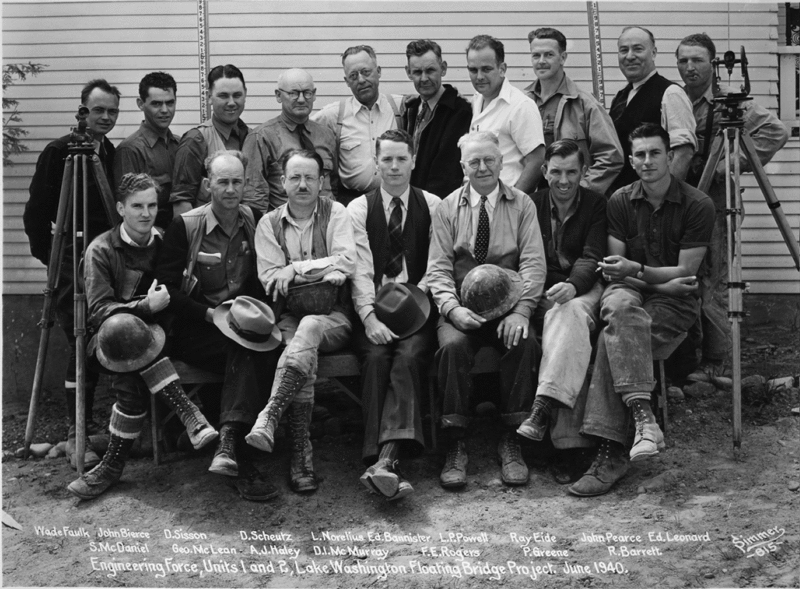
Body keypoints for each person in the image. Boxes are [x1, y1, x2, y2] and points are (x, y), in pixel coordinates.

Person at [569, 123, 715, 497]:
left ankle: (610, 453)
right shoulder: (619, 200)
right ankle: (643, 420)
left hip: (673, 305)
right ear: (631, 161)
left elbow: (686, 273)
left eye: (654, 153)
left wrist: (639, 272)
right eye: (640, 155)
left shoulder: (698, 204)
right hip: (630, 293)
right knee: (617, 305)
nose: (647, 161)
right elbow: (618, 270)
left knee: (611, 339)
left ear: (670, 156)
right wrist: (655, 278)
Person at [67, 173, 218, 500]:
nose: (146, 213)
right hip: (109, 342)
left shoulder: (165, 239)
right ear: (121, 208)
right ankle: (187, 412)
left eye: (152, 205)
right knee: (125, 331)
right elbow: (100, 310)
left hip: (160, 336)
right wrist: (144, 306)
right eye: (137, 206)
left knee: (143, 364)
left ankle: (111, 465)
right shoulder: (101, 250)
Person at [156, 150, 281, 502]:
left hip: (240, 324)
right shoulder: (186, 225)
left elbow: (260, 279)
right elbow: (167, 288)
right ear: (208, 184)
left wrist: (259, 316)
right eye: (222, 182)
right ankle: (237, 446)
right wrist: (209, 316)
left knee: (264, 346)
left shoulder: (255, 220)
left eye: (237, 182)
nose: (230, 189)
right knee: (243, 353)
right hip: (196, 326)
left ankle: (228, 439)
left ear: (245, 184)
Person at [427, 130, 546, 489]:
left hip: (509, 304)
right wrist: (450, 309)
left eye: (489, 160)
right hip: (464, 309)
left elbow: (534, 264)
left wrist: (522, 311)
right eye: (474, 162)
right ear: (463, 166)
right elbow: (438, 269)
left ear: (501, 162)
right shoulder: (447, 208)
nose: (482, 168)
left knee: (523, 343)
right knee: (451, 347)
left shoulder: (522, 204)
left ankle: (513, 439)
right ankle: (455, 441)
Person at [676, 33, 789, 380]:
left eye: (698, 60)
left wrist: (732, 162)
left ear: (712, 63)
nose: (690, 67)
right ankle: (690, 354)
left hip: (716, 201)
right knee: (688, 276)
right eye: (684, 60)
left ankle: (717, 359)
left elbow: (776, 132)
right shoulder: (677, 99)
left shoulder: (729, 103)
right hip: (683, 200)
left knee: (716, 278)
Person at [24, 78, 120, 470]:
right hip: (71, 261)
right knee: (79, 341)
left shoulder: (109, 152)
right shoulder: (60, 151)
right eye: (98, 110)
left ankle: (97, 426)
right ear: (83, 110)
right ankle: (74, 430)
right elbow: (36, 214)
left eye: (112, 111)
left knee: (101, 336)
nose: (106, 117)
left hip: (103, 261)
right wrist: (56, 262)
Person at [247, 149, 356, 493]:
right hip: (288, 316)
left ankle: (270, 417)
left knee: (309, 329)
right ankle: (300, 456)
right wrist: (324, 269)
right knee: (299, 351)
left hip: (334, 316)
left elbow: (348, 261)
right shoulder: (269, 224)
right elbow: (268, 277)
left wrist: (294, 269)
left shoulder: (335, 212)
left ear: (322, 181)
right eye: (295, 177)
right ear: (283, 182)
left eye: (310, 177)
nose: (303, 184)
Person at [347, 129, 441, 500]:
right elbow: (359, 268)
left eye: (402, 158)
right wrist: (369, 318)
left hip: (416, 306)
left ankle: (386, 460)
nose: (394, 166)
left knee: (410, 355)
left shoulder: (432, 205)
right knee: (373, 357)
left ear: (413, 160)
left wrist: (415, 304)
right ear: (376, 162)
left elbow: (437, 265)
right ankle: (379, 455)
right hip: (372, 306)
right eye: (386, 159)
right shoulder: (358, 208)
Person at [517, 140, 606, 472]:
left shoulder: (596, 204)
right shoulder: (530, 204)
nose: (564, 181)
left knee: (568, 316)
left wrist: (572, 285)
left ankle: (542, 412)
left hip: (583, 287)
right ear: (544, 172)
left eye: (572, 172)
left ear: (584, 172)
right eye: (556, 172)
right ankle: (568, 446)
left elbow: (593, 255)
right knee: (562, 323)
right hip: (543, 290)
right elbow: (524, 256)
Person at [523, 27, 623, 195]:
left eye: (549, 55)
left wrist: (581, 192)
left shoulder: (585, 104)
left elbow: (611, 157)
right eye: (536, 55)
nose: (541, 61)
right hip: (532, 205)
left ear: (563, 58)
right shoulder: (522, 103)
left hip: (574, 206)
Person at [608, 27, 696, 194]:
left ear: (654, 53)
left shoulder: (671, 93)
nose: (630, 56)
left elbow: (683, 153)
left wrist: (663, 201)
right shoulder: (621, 97)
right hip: (624, 203)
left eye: (638, 49)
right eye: (624, 50)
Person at [312, 45, 401, 205]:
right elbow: (304, 129)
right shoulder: (334, 115)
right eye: (353, 75)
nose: (361, 80)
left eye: (366, 72)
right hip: (352, 202)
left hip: (395, 201)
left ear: (378, 71)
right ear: (346, 81)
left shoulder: (400, 107)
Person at [242, 68, 337, 211]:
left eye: (307, 93)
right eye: (293, 93)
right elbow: (254, 198)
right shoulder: (261, 138)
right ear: (278, 95)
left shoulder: (326, 135)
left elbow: (335, 185)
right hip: (284, 226)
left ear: (314, 94)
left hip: (327, 223)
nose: (301, 99)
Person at [465, 35, 545, 194]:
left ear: (502, 69)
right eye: (473, 70)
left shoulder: (520, 106)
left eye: (486, 69)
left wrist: (512, 202)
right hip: (475, 204)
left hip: (505, 205)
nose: (479, 76)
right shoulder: (475, 101)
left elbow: (537, 161)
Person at [170, 64, 250, 216]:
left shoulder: (252, 137)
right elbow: (182, 202)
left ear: (245, 94)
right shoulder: (196, 140)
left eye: (237, 95)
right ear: (209, 97)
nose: (232, 102)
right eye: (223, 96)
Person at [401, 39, 472, 198]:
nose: (424, 78)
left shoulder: (460, 112)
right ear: (408, 72)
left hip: (438, 206)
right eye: (417, 72)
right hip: (411, 203)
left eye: (430, 70)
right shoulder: (411, 109)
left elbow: (447, 175)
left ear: (443, 68)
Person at [114, 72, 180, 229]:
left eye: (170, 103)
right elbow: (128, 209)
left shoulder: (180, 144)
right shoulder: (130, 150)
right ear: (140, 104)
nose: (164, 110)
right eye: (156, 104)